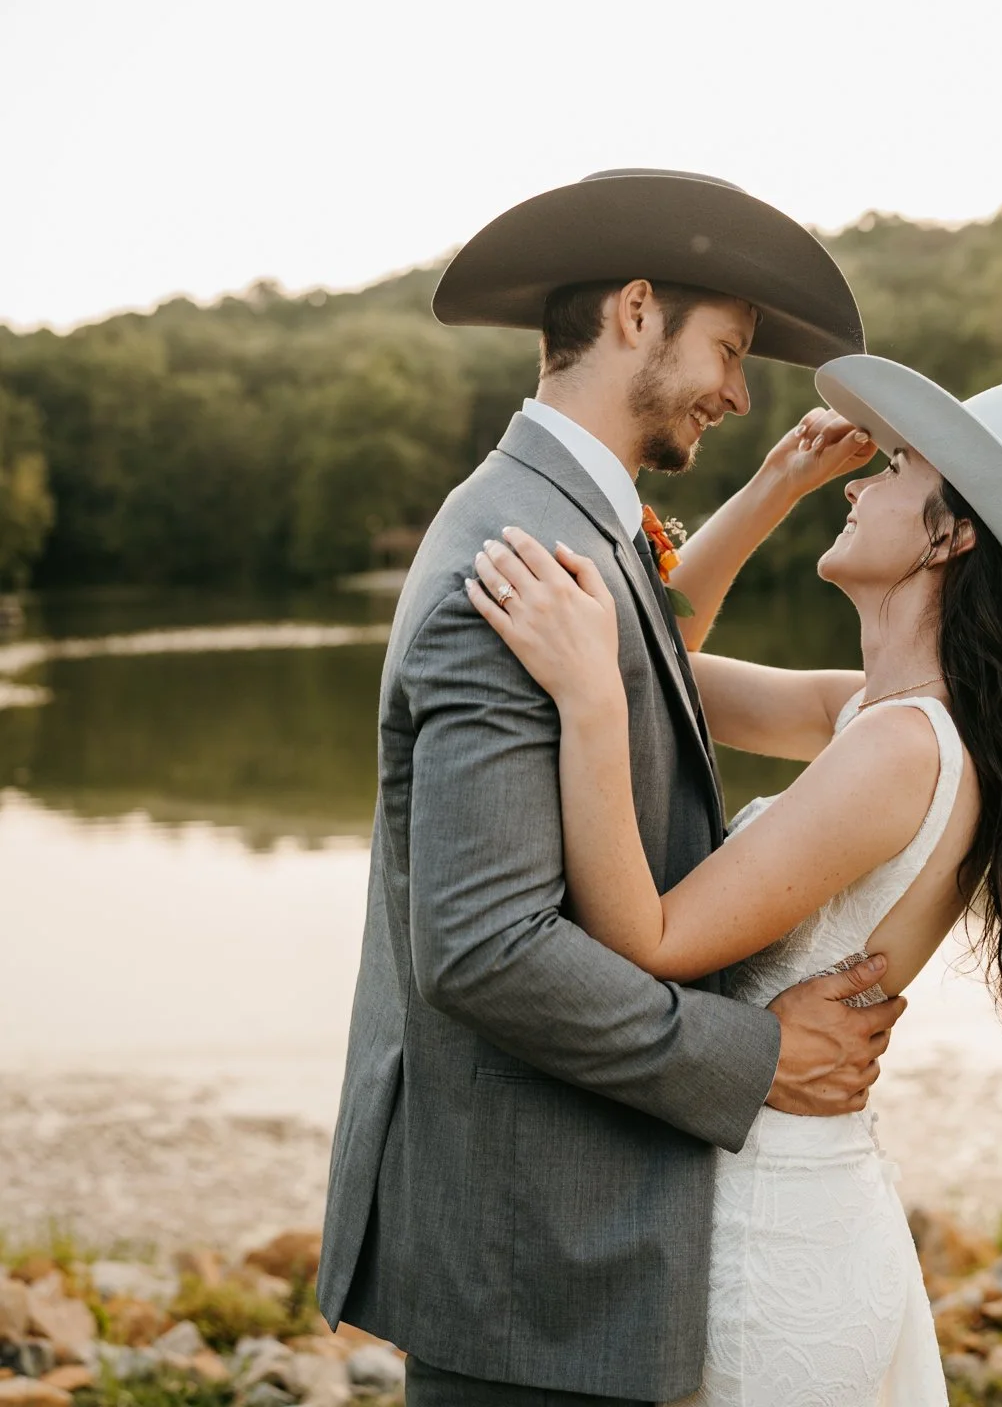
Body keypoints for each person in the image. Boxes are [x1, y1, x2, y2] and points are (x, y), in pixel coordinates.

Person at [318, 169, 903, 1407]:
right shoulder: (518, 560)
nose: (741, 392)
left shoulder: (567, 525)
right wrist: (753, 1055)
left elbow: (662, 666)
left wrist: (772, 490)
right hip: (530, 1251)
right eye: (731, 349)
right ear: (637, 310)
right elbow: (483, 946)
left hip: (565, 1241)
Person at [469, 352, 1002, 1405]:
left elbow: (647, 937)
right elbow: (662, 665)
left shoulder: (900, 750)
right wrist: (767, 489)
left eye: (896, 468)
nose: (857, 481)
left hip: (772, 1235)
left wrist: (587, 706)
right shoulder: (881, 715)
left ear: (952, 532)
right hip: (786, 1190)